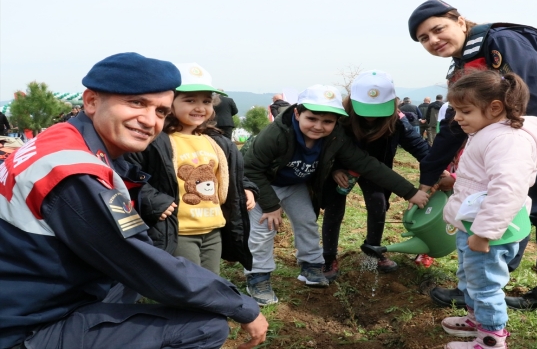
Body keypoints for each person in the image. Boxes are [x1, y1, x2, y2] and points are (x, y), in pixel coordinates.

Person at [0, 52, 267, 349]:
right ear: (90, 101)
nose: (149, 120)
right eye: (136, 102)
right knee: (205, 327)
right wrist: (240, 304)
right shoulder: (74, 172)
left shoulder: (64, 137)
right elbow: (139, 261)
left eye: (161, 112)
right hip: (25, 325)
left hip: (31, 290)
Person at [408, 0, 537, 314]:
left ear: (459, 20)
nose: (433, 40)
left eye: (438, 29)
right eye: (424, 39)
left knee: (514, 197)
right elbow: (454, 126)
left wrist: (511, 151)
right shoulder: (463, 69)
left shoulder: (500, 40)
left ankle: (479, 288)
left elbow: (529, 95)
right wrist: (426, 181)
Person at [243, 84, 429, 306]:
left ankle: (311, 266)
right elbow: (251, 169)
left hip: (296, 184)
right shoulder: (276, 134)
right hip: (263, 184)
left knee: (306, 221)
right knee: (264, 229)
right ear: (297, 113)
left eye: (327, 121)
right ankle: (258, 277)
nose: (318, 127)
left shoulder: (337, 137)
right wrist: (272, 206)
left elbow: (367, 164)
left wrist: (409, 192)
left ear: (337, 122)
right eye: (311, 119)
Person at [440, 70, 537, 349]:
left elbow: (507, 189)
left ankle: (490, 339)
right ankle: (476, 319)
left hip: (491, 232)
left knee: (485, 284)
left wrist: (485, 232)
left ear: (495, 108)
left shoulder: (508, 139)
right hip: (474, 225)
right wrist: (456, 181)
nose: (457, 118)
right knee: (471, 278)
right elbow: (484, 178)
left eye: (465, 110)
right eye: (455, 110)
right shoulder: (488, 132)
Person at [125, 62, 258, 276]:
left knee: (211, 278)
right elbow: (129, 173)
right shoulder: (157, 141)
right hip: (178, 230)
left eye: (206, 101)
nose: (199, 107)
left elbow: (231, 176)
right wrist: (153, 199)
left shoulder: (217, 142)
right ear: (169, 103)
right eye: (190, 100)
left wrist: (247, 188)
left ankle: (207, 310)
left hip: (213, 227)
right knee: (188, 282)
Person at [321, 70, 430, 279]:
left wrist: (437, 167)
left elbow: (418, 146)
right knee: (334, 208)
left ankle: (373, 250)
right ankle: (329, 258)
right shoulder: (341, 118)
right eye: (365, 108)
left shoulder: (396, 120)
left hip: (378, 171)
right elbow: (326, 147)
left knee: (378, 204)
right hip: (342, 169)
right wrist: (334, 169)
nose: (370, 115)